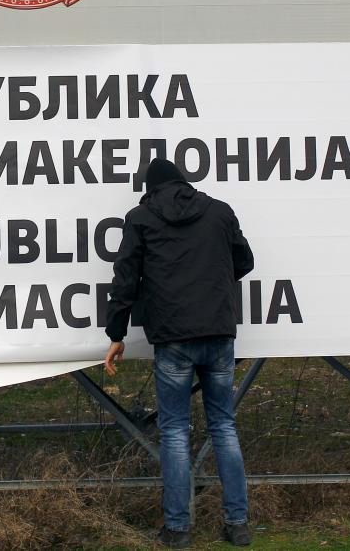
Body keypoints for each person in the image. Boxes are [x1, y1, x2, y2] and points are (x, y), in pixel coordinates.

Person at [104, 158, 255, 548]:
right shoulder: (219, 211)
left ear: (150, 189)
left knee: (174, 431)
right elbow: (245, 260)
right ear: (183, 182)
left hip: (173, 338)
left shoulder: (140, 218)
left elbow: (126, 277)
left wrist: (116, 332)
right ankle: (237, 524)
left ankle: (178, 529)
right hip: (219, 332)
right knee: (224, 426)